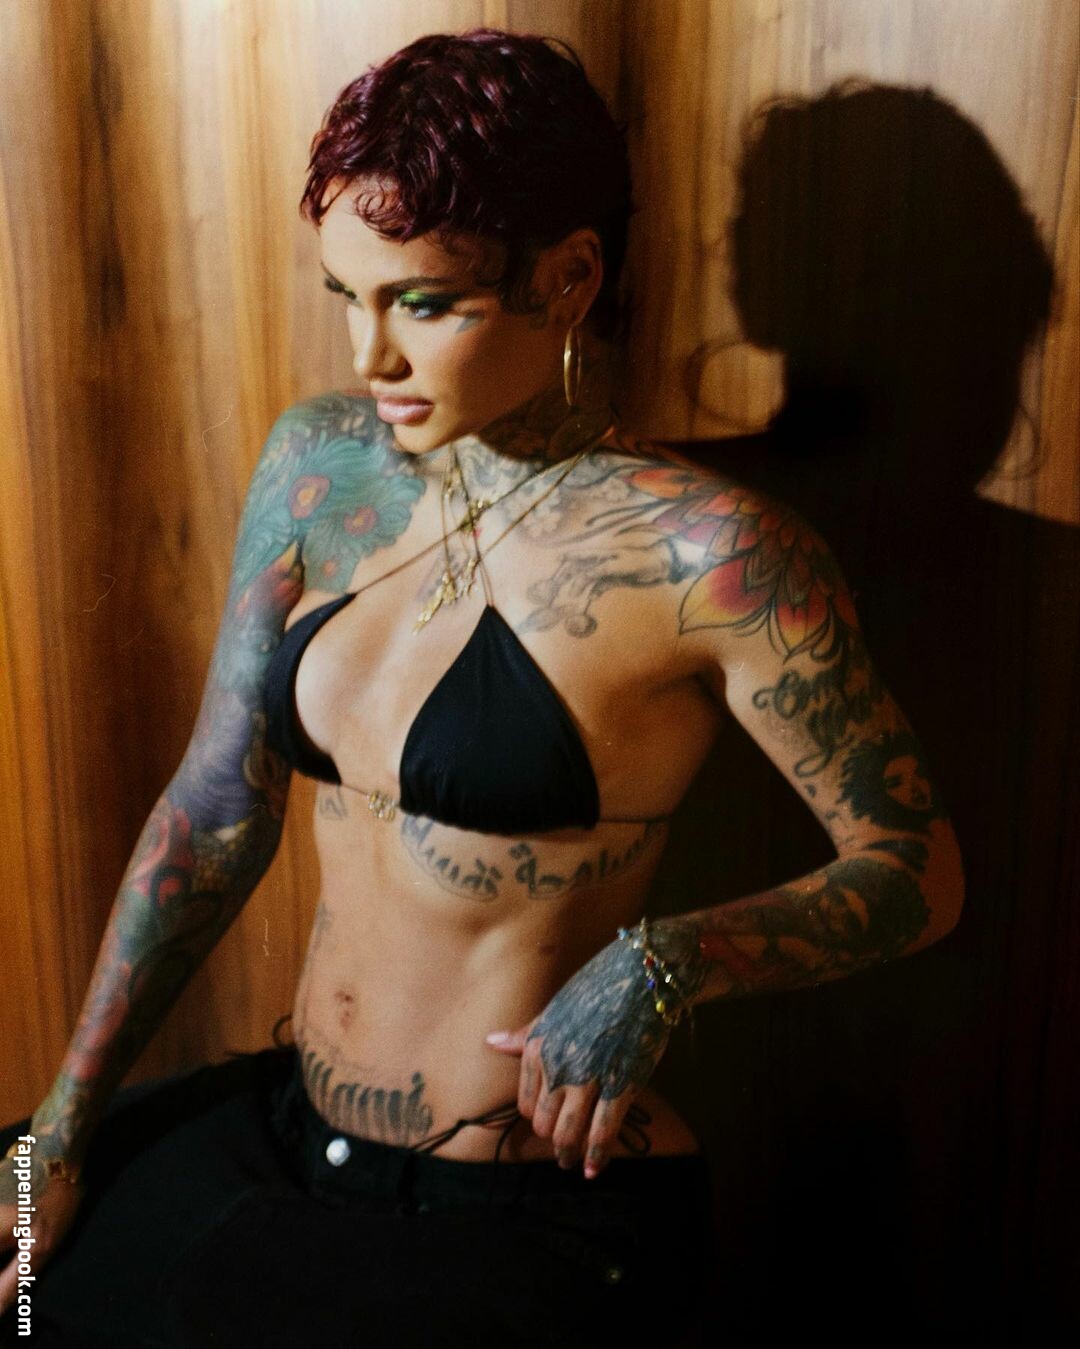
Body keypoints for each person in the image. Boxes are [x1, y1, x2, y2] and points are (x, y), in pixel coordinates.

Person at [0, 28, 963, 1348]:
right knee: (21, 1274)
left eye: (423, 303)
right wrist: (59, 1131)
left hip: (515, 1202)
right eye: (348, 295)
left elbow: (915, 867)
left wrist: (670, 962)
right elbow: (215, 810)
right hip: (288, 1138)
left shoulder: (713, 557)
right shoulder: (318, 468)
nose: (369, 357)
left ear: (568, 279)